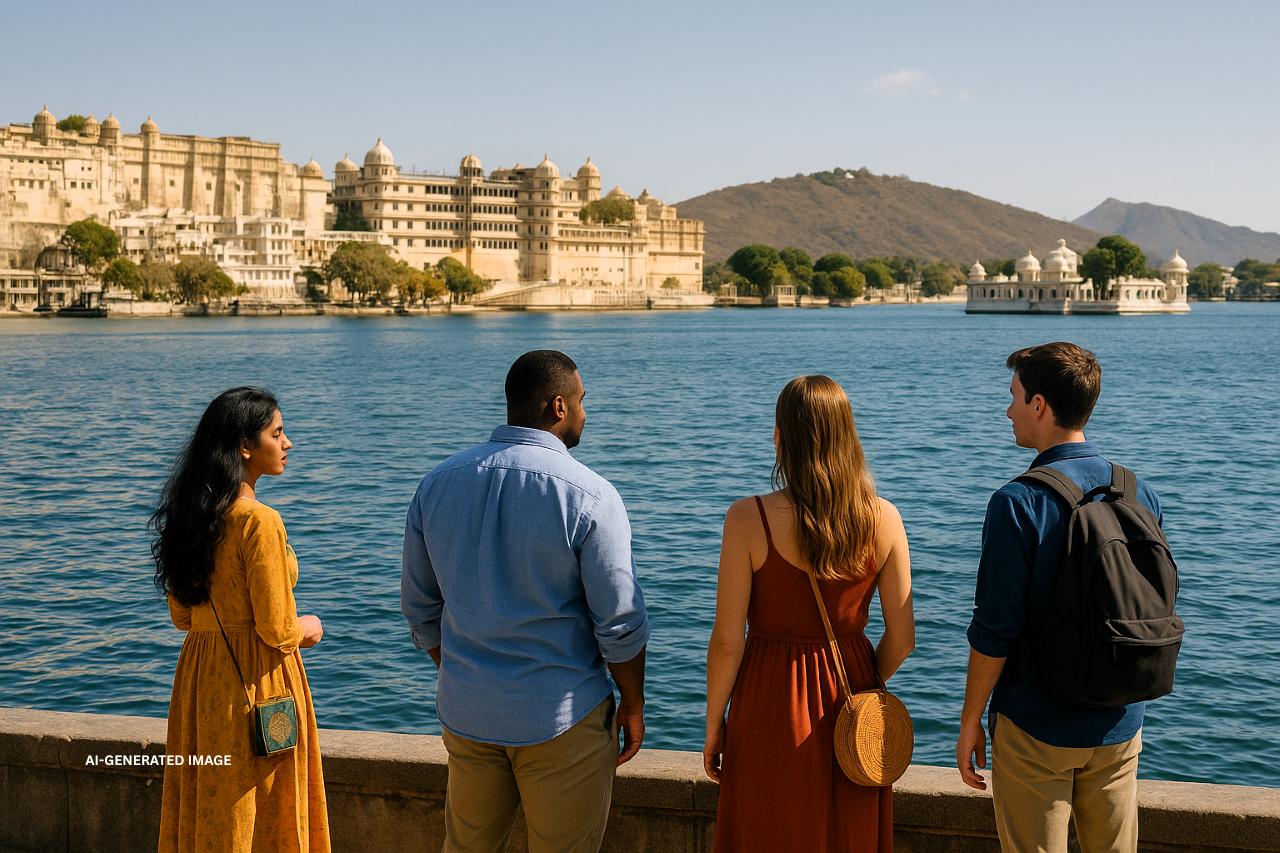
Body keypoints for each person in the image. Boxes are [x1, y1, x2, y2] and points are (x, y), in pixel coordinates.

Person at [401, 350, 649, 853]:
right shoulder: (590, 495)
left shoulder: (437, 483)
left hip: (468, 713)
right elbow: (619, 622)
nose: (585, 413)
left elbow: (421, 610)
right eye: (582, 401)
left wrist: (467, 673)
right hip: (562, 718)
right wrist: (633, 703)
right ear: (558, 406)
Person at [956, 342, 1164, 853]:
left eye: (1013, 397)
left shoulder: (1017, 502)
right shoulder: (1138, 492)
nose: (1007, 411)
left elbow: (995, 629)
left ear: (1039, 405)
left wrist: (970, 721)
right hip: (1119, 722)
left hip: (1037, 727)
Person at [704, 374, 915, 853]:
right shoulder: (885, 518)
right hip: (852, 694)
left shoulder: (747, 518)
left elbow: (727, 642)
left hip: (768, 700)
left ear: (780, 438)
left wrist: (715, 723)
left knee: (767, 829)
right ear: (848, 437)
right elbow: (903, 639)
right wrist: (858, 681)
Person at [152, 387, 328, 853]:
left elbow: (183, 617)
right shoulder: (259, 521)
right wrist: (309, 626)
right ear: (245, 446)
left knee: (210, 800)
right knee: (265, 806)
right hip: (257, 678)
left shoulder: (191, 516)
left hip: (199, 679)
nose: (287, 442)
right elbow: (276, 629)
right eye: (277, 433)